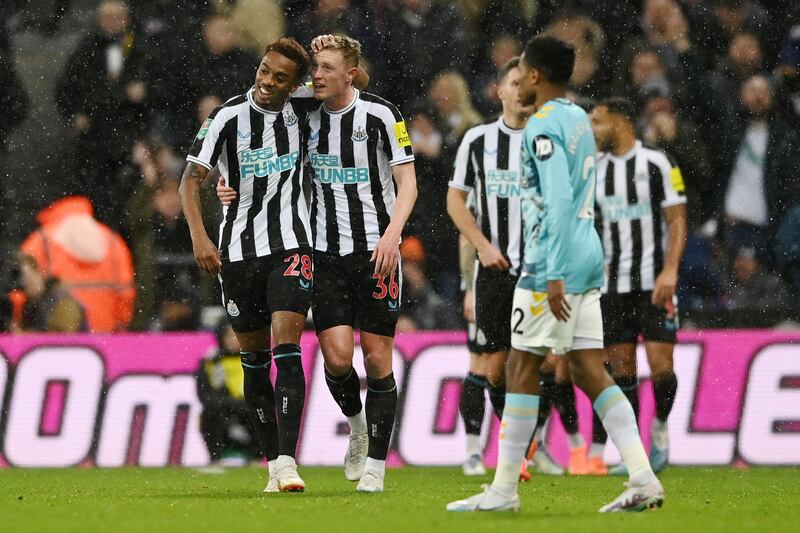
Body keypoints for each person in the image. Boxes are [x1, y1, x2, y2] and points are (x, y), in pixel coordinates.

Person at [447, 35, 663, 513]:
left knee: (521, 368)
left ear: (536, 76)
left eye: (520, 72)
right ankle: (644, 477)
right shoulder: (577, 119)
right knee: (588, 367)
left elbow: (559, 199)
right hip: (589, 254)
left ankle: (503, 490)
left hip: (551, 262)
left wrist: (553, 273)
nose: (516, 79)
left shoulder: (543, 126)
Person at [180, 37, 318, 494]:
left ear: (295, 84)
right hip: (237, 253)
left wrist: (327, 52)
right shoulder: (225, 117)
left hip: (291, 245)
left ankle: (288, 458)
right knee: (255, 364)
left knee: (288, 347)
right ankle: (273, 463)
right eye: (264, 70)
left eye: (280, 77)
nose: (267, 81)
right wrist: (201, 236)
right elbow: (189, 181)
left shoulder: (305, 110)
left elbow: (357, 82)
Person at [304, 35, 417, 494]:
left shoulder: (383, 115)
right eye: (316, 67)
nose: (317, 74)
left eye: (328, 67)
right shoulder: (304, 113)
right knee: (334, 359)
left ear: (351, 74)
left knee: (377, 358)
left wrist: (393, 235)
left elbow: (408, 183)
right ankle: (358, 426)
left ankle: (375, 466)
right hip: (324, 254)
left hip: (376, 252)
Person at [590, 97, 688, 475]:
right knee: (622, 368)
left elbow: (677, 220)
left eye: (598, 122)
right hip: (611, 286)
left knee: (662, 367)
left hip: (654, 283)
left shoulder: (658, 162)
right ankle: (634, 453)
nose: (593, 131)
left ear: (619, 121)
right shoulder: (593, 170)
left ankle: (660, 430)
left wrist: (670, 271)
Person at [447, 57, 530, 476]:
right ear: (499, 90)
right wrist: (481, 250)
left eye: (526, 84)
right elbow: (455, 203)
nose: (520, 91)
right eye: (512, 83)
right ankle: (483, 450)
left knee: (540, 364)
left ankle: (524, 450)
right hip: (493, 273)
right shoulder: (477, 141)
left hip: (538, 274)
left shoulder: (546, 141)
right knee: (491, 367)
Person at [20, 196, 135, 333]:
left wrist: (19, 321)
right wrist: (121, 324)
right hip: (105, 333)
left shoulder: (40, 240)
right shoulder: (113, 241)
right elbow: (125, 292)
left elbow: (21, 288)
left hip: (55, 336)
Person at [15, 253, 86, 333]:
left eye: (25, 276)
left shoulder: (61, 299)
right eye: (17, 277)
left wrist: (25, 336)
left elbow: (61, 337)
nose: (22, 281)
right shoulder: (31, 304)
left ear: (37, 272)